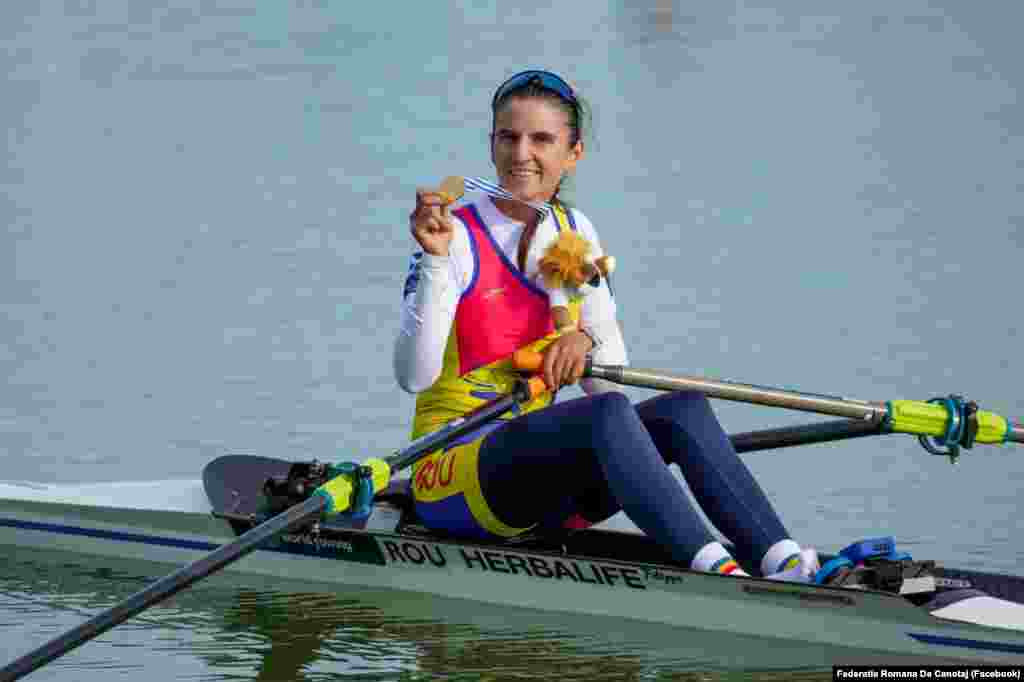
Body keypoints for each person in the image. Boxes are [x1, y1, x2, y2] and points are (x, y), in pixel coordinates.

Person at [394, 69, 818, 581]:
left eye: (542, 139)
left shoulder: (575, 234)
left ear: (573, 154)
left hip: (536, 487)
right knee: (607, 415)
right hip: (451, 471)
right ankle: (717, 574)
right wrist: (435, 263)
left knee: (682, 411)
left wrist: (584, 338)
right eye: (509, 136)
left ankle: (783, 559)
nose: (522, 152)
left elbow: (605, 377)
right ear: (492, 145)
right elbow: (413, 377)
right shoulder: (454, 236)